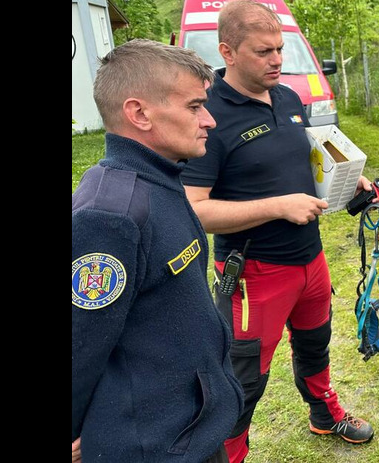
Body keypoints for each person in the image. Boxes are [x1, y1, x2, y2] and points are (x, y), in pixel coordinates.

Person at [181, 0, 374, 463]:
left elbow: (303, 160)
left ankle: (324, 413)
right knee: (242, 380)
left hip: (310, 259)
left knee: (316, 344)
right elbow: (195, 211)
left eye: (280, 50)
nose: (277, 61)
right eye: (263, 52)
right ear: (227, 51)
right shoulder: (210, 115)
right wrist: (278, 206)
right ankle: (228, 454)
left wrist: (347, 179)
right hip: (254, 273)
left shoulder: (287, 97)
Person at [72, 39, 243, 462]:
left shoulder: (161, 179)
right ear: (139, 113)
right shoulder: (110, 215)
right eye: (193, 107)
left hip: (190, 425)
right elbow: (79, 342)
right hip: (157, 445)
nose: (209, 120)